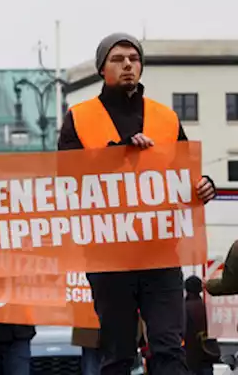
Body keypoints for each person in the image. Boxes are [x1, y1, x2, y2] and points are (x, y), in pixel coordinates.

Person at [58, 33, 216, 375]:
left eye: (134, 58)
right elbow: (66, 178)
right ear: (102, 68)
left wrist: (203, 187)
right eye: (118, 58)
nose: (128, 64)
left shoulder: (166, 118)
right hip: (108, 257)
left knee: (169, 349)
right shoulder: (79, 118)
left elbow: (186, 177)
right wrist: (118, 153)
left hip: (160, 255)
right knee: (117, 354)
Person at [184, 276, 213, 375]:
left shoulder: (183, 309)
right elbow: (218, 329)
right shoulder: (207, 307)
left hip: (189, 357)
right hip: (207, 354)